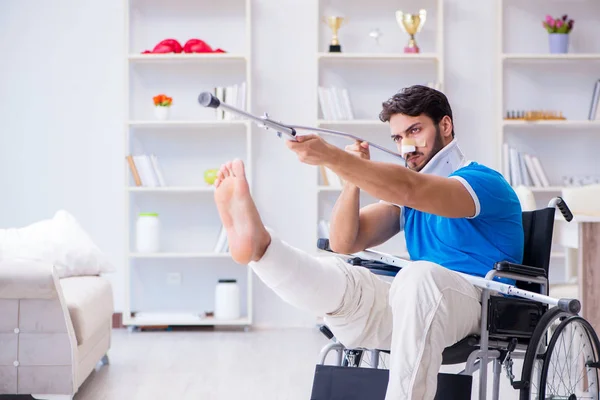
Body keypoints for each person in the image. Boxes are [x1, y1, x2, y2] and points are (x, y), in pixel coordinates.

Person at [212, 85, 524, 400]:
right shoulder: (410, 204)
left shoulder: (483, 183)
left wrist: (333, 157)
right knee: (348, 280)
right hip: (417, 306)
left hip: (476, 304)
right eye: (399, 138)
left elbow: (411, 188)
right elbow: (345, 240)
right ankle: (264, 250)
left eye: (415, 130)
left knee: (419, 276)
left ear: (445, 126)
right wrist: (350, 180)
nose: (407, 146)